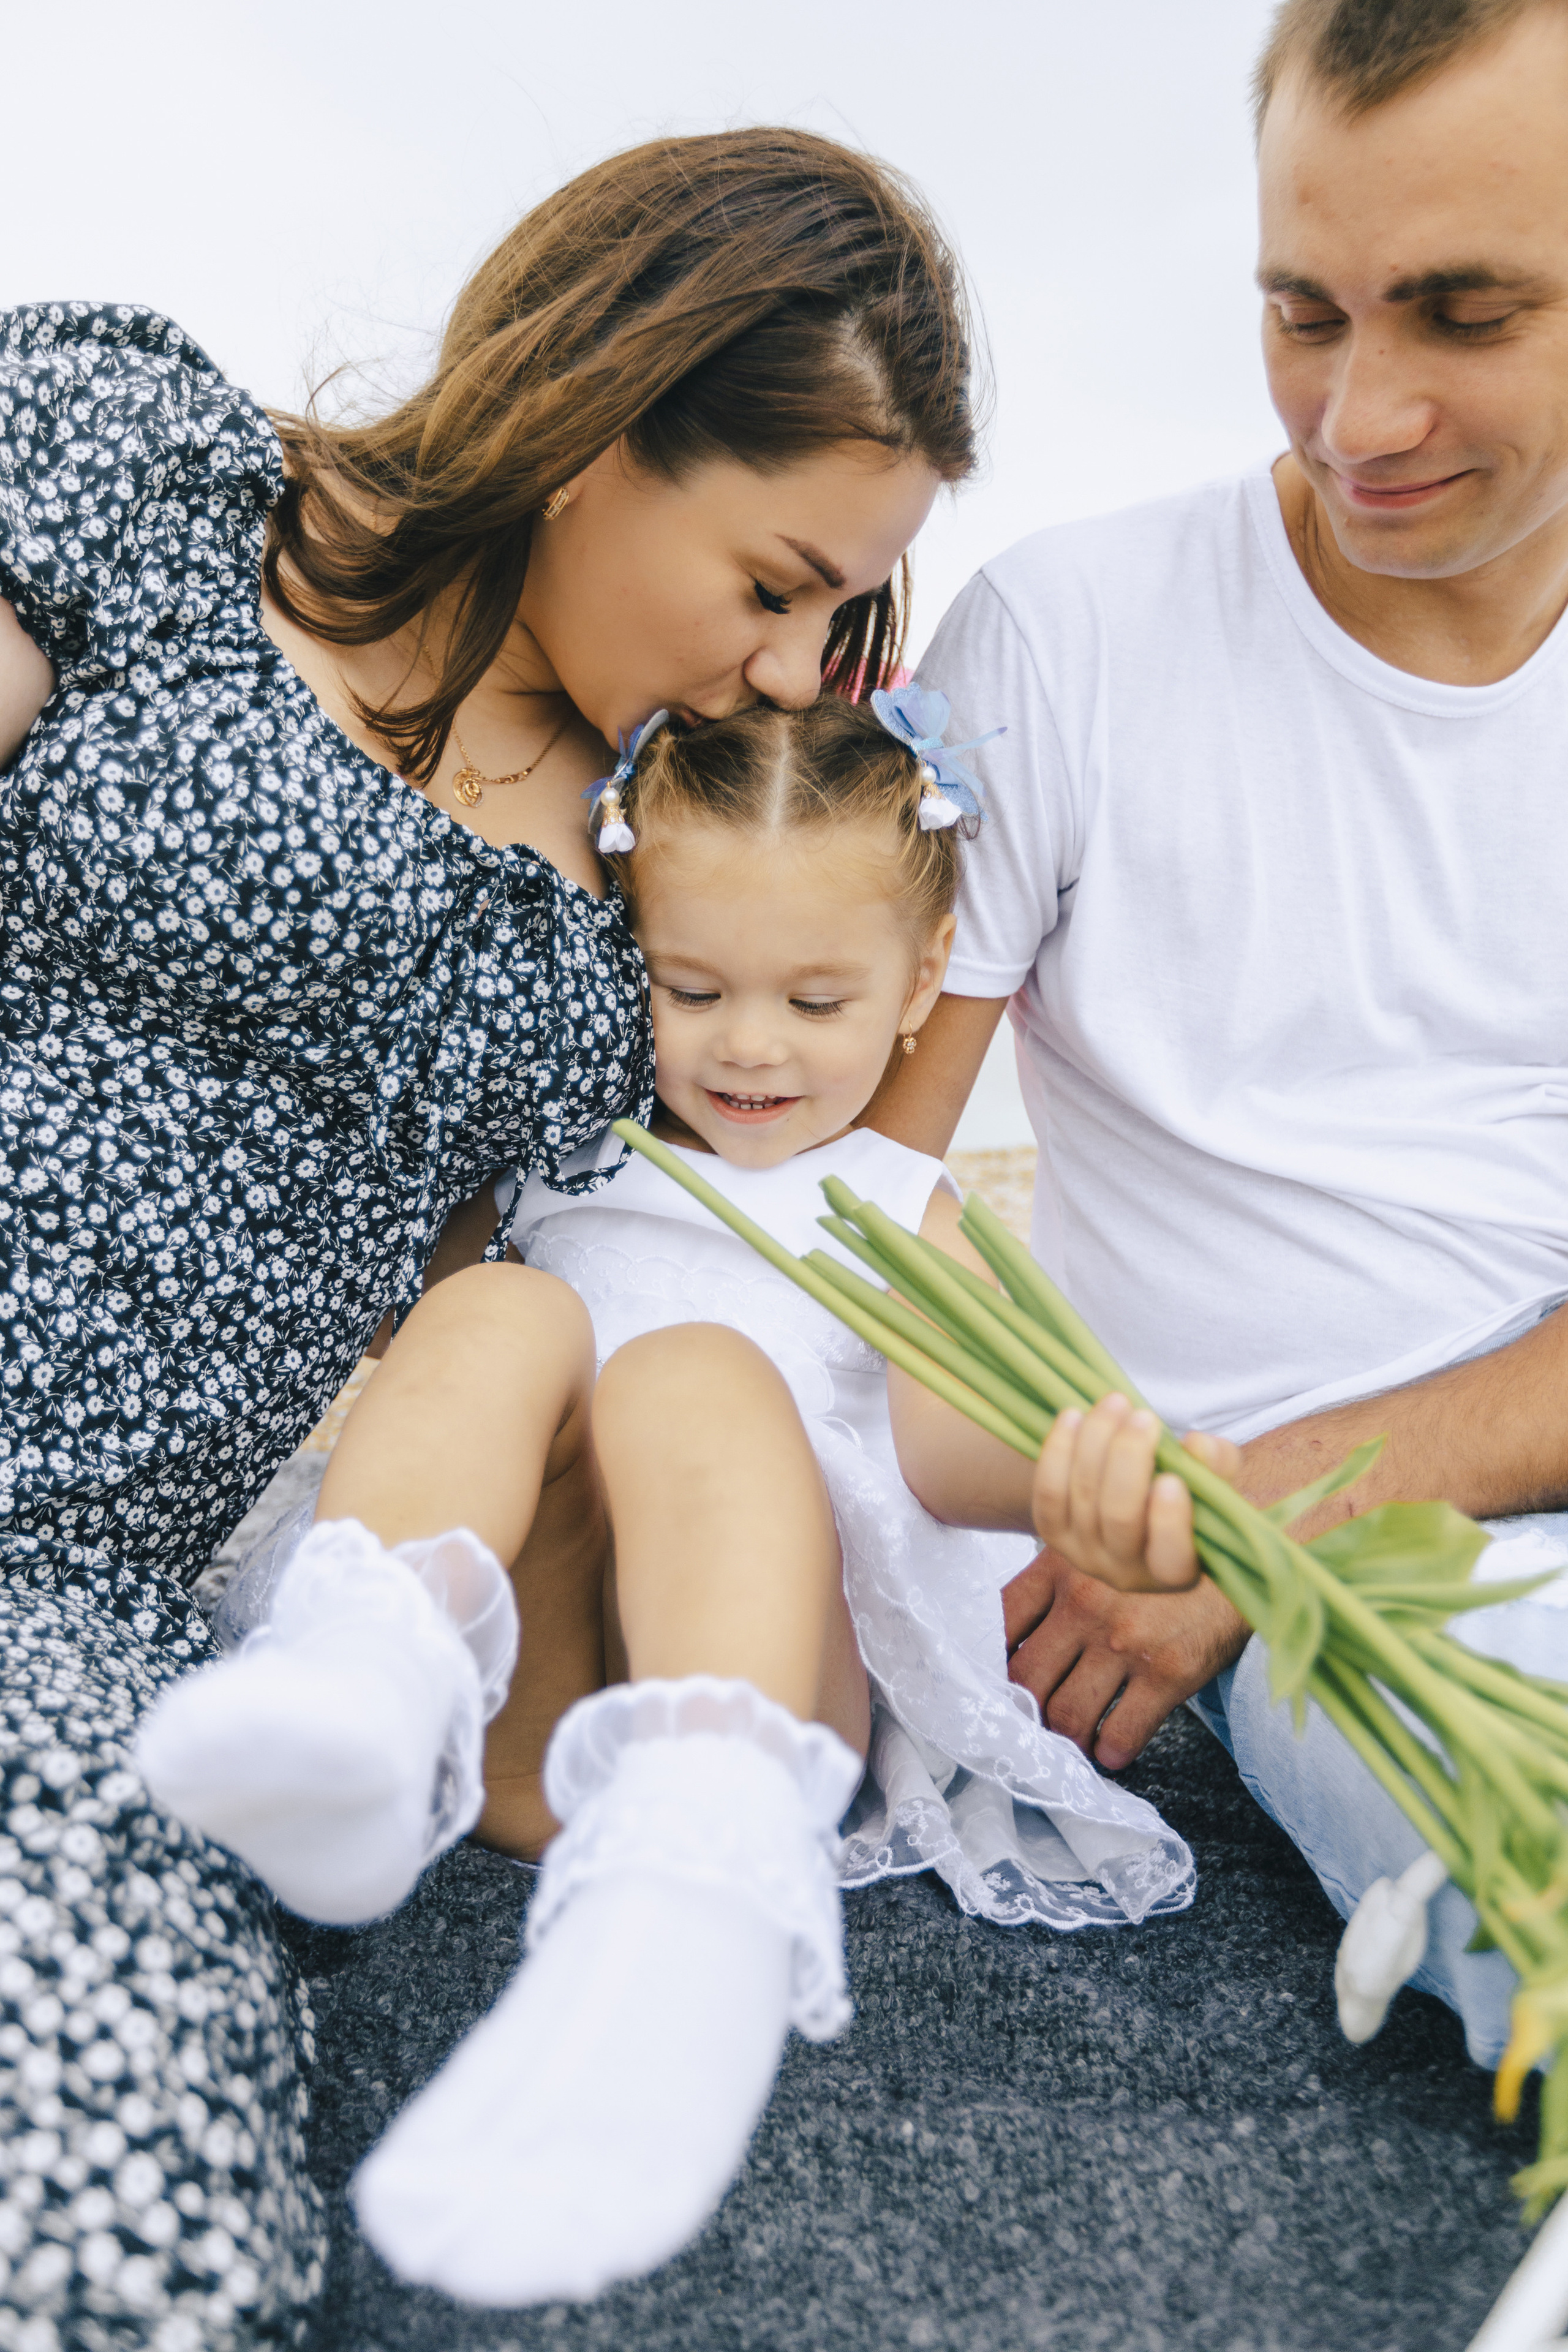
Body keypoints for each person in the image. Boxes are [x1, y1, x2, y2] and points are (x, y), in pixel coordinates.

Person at [0, 129, 972, 2349]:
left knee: (123, 2221)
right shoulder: (150, 480)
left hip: (73, 1590)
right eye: (774, 583)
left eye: (841, 620)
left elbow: (575, 1282)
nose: (791, 670)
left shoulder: (641, 901)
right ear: (603, 429)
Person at [135, 689, 1204, 2309]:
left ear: (923, 982)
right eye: (689, 987)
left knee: (693, 1373)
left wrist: (1083, 1479)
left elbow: (943, 1453)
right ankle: (367, 1675)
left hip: (764, 1706)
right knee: (498, 1311)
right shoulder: (574, 1156)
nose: (748, 1044)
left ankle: (699, 1867)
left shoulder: (897, 1201)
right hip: (524, 1720)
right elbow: (410, 1338)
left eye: (816, 1000)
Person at [872, 0, 1568, 2071]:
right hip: (1377, 1608)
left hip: (1300, 1529)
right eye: (1301, 312)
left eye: (1464, 314)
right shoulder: (1065, 641)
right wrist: (1216, 1531)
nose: (1360, 418)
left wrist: (1268, 1503)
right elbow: (857, 1189)